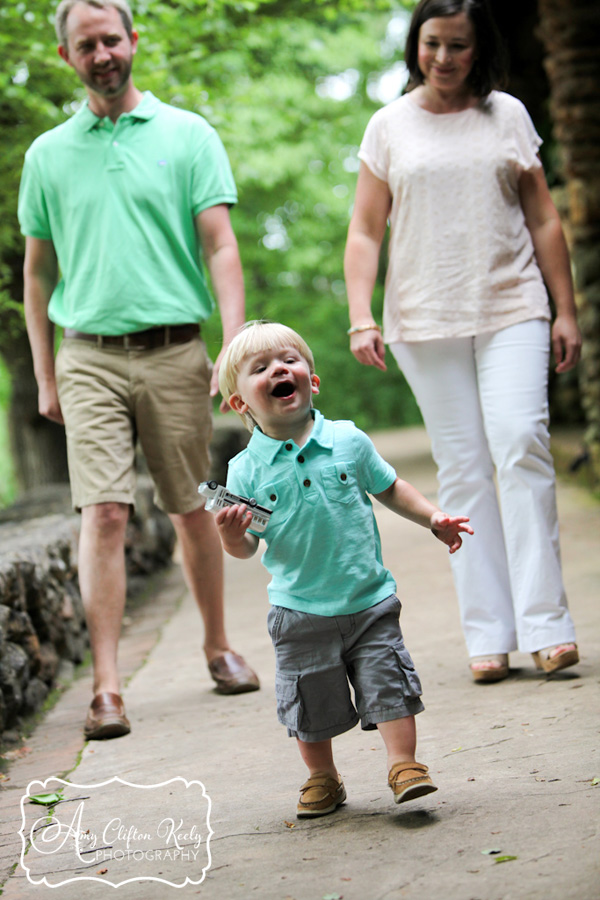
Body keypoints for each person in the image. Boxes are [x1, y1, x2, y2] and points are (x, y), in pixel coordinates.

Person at [18, 0, 259, 740]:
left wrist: (235, 342)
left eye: (111, 39)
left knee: (193, 504)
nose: (102, 54)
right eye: (86, 45)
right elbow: (36, 275)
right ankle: (108, 686)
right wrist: (46, 377)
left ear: (133, 41)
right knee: (106, 511)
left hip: (175, 348)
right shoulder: (47, 155)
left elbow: (219, 245)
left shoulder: (187, 135)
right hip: (87, 352)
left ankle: (218, 646)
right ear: (67, 57)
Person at [344, 0, 581, 684]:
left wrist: (564, 311)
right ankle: (489, 635)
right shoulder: (389, 125)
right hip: (422, 319)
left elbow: (543, 218)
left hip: (512, 307)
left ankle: (547, 627)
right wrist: (362, 314)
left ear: (480, 51)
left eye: (458, 46)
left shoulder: (506, 114)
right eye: (432, 44)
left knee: (520, 444)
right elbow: (365, 229)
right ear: (415, 46)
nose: (443, 59)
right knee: (464, 470)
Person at [213, 321, 473, 817]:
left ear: (312, 380)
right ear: (240, 404)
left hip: (368, 598)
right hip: (299, 610)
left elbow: (390, 486)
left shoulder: (347, 440)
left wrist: (433, 518)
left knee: (389, 683)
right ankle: (323, 777)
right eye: (261, 368)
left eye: (289, 360)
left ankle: (404, 765)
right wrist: (230, 533)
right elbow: (246, 546)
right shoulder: (244, 470)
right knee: (310, 701)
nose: (279, 370)